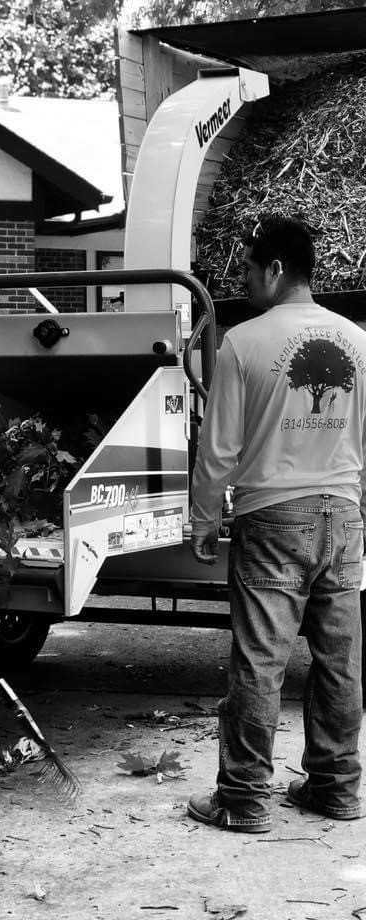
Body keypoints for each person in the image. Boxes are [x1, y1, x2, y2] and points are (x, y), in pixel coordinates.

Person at [187, 214, 366, 832]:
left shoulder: (242, 342)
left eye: (248, 268)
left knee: (260, 661)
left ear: (276, 269)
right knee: (340, 659)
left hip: (272, 517)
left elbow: (219, 447)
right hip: (343, 515)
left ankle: (243, 801)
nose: (243, 279)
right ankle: (337, 789)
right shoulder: (358, 341)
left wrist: (203, 516)